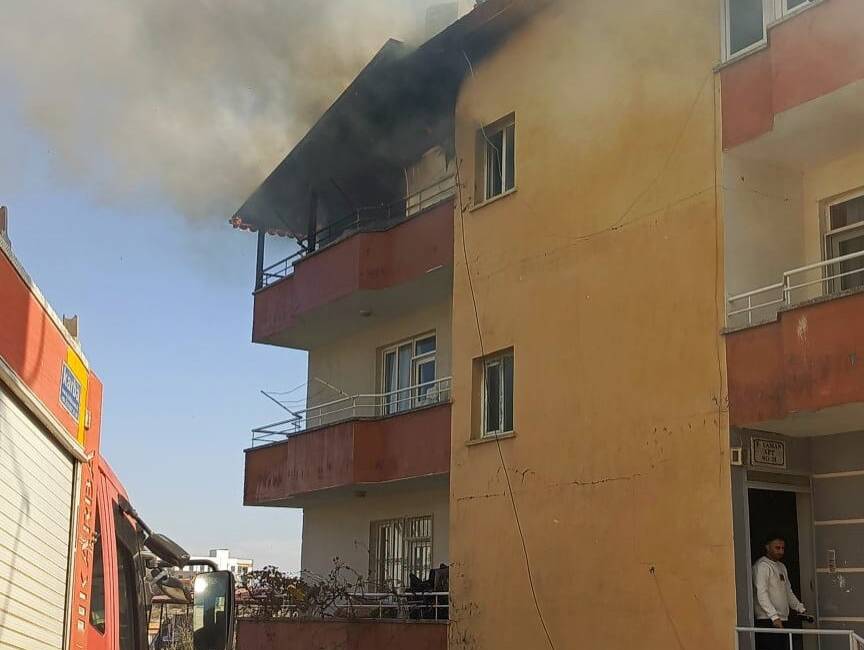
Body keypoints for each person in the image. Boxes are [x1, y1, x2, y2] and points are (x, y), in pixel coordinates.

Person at [753, 533, 808, 650]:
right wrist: (774, 617)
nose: (781, 551)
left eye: (783, 548)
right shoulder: (762, 566)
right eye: (777, 548)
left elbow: (787, 591)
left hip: (782, 619)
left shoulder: (781, 566)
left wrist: (799, 607)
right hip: (767, 620)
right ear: (767, 547)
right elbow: (761, 593)